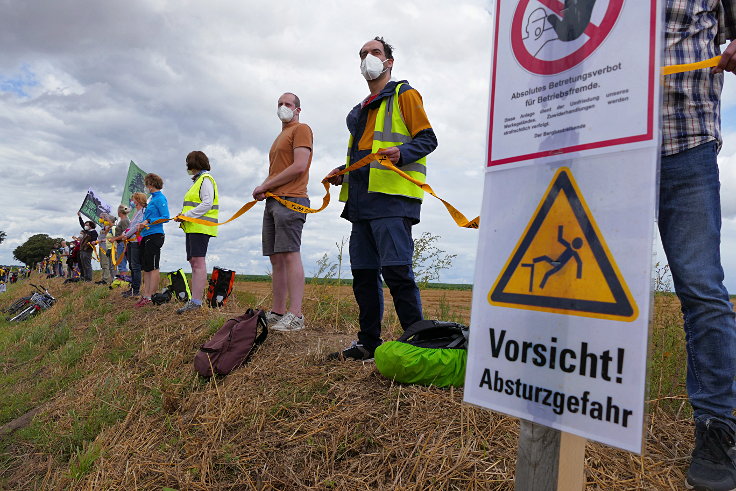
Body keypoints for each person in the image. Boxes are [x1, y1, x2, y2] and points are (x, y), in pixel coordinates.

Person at [661, 2, 736, 489]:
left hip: (685, 141)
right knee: (575, 288)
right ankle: (577, 404)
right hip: (606, 145)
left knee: (702, 289)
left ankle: (717, 428)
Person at [326, 37, 437, 360]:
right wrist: (343, 172)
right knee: (363, 276)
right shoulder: (359, 112)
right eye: (362, 54)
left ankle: (419, 345)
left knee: (397, 272)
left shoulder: (405, 95)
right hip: (361, 205)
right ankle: (369, 343)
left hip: (393, 199)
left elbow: (428, 139)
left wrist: (402, 152)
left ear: (389, 62)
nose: (367, 58)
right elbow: (363, 156)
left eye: (374, 52)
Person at [251, 92, 313, 332]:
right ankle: (277, 312)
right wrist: (266, 189)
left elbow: (299, 166)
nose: (283, 107)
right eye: (279, 104)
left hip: (292, 199)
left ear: (297, 109)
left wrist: (266, 185)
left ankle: (296, 314)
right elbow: (278, 170)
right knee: (276, 259)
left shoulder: (302, 129)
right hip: (274, 200)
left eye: (288, 104)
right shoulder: (280, 136)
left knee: (290, 255)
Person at [175, 150, 219, 314]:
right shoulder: (199, 180)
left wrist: (186, 215)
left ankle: (196, 302)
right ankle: (195, 300)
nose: (187, 167)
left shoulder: (206, 180)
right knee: (194, 262)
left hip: (200, 227)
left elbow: (207, 203)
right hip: (194, 227)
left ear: (194, 164)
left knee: (198, 263)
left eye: (188, 164)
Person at [134, 174, 169, 307]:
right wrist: (142, 224)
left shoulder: (160, 198)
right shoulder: (152, 199)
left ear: (151, 184)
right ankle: (146, 294)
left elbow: (165, 217)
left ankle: (151, 296)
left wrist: (148, 221)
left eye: (146, 184)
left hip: (156, 235)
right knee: (147, 267)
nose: (146, 186)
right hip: (147, 235)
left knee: (153, 266)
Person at [113, 192, 147, 298]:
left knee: (135, 266)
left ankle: (136, 290)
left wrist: (125, 235)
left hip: (135, 241)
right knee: (132, 266)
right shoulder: (136, 212)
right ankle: (132, 288)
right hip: (130, 241)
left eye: (133, 199)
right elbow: (131, 225)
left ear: (138, 200)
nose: (131, 202)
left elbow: (136, 227)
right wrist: (124, 234)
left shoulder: (142, 212)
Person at [77, 212, 98, 282]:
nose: (85, 226)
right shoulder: (86, 231)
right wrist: (80, 217)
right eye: (85, 225)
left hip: (88, 250)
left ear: (91, 226)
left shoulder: (94, 232)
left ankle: (89, 278)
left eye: (87, 225)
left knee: (87, 265)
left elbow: (94, 241)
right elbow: (82, 224)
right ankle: (85, 277)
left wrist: (93, 242)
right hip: (82, 249)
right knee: (83, 264)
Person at [96, 213, 116, 285]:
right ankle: (105, 278)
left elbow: (113, 237)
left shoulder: (111, 228)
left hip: (109, 247)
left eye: (101, 218)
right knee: (104, 264)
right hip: (102, 247)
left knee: (110, 264)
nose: (100, 219)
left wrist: (101, 240)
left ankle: (111, 279)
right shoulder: (103, 228)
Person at [114, 204, 131, 274]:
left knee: (121, 262)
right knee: (122, 262)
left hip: (122, 243)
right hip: (121, 243)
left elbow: (125, 234)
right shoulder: (125, 220)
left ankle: (123, 278)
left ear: (119, 212)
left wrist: (115, 238)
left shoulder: (124, 221)